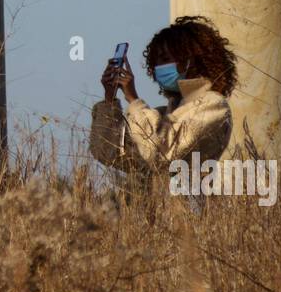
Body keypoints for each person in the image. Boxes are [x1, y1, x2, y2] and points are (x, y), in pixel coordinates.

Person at [89, 16, 238, 179]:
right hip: (158, 205)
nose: (160, 67)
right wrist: (109, 101)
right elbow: (110, 153)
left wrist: (133, 99)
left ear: (193, 60)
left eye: (166, 59)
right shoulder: (164, 114)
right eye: (156, 62)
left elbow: (161, 152)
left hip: (188, 204)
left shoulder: (213, 106)